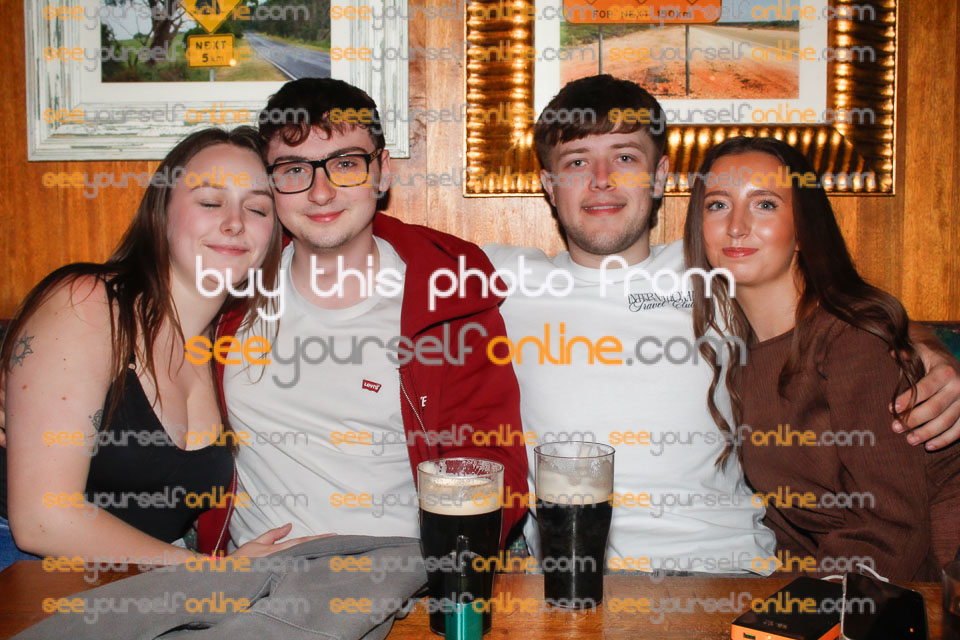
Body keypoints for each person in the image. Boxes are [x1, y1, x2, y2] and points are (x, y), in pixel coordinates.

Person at [483, 75, 960, 574]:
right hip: (576, 580)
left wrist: (925, 350)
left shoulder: (715, 266)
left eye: (624, 157)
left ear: (660, 176)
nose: (601, 179)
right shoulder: (498, 280)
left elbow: (835, 311)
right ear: (548, 184)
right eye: (577, 162)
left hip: (728, 573)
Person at [205, 79, 529, 553]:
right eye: (295, 170)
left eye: (345, 165)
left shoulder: (447, 298)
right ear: (269, 184)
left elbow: (491, 461)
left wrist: (445, 567)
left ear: (382, 171)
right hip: (254, 580)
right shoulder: (230, 288)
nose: (321, 193)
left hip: (398, 577)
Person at [0, 126, 319, 571]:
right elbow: (42, 520)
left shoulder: (232, 345)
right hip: (30, 574)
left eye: (257, 208)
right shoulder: (89, 304)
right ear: (161, 212)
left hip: (152, 578)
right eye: (210, 202)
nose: (234, 222)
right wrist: (213, 573)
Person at [683, 136, 960, 580]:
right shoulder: (737, 350)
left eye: (765, 204)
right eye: (718, 205)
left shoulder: (852, 340)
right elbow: (794, 522)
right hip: (842, 579)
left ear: (804, 229)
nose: (736, 226)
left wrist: (803, 609)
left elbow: (891, 529)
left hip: (933, 583)